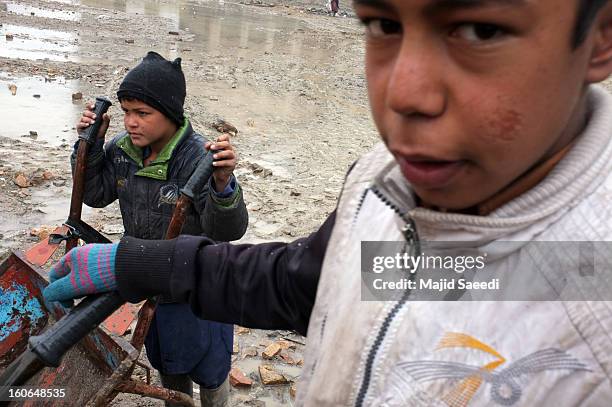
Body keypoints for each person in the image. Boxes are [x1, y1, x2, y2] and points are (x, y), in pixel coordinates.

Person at [44, 1, 612, 405]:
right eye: (383, 23)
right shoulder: (382, 180)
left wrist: (219, 190)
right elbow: (312, 282)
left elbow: (231, 225)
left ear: (600, 35)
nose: (402, 95)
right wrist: (139, 262)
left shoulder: (592, 283)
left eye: (481, 30)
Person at [67, 51, 248, 406]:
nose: (131, 122)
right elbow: (95, 194)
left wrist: (223, 184)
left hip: (199, 285)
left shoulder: (199, 158)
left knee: (210, 367)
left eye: (143, 114)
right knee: (168, 360)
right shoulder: (122, 150)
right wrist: (90, 148)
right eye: (126, 113)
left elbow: (226, 228)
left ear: (170, 114)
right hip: (150, 280)